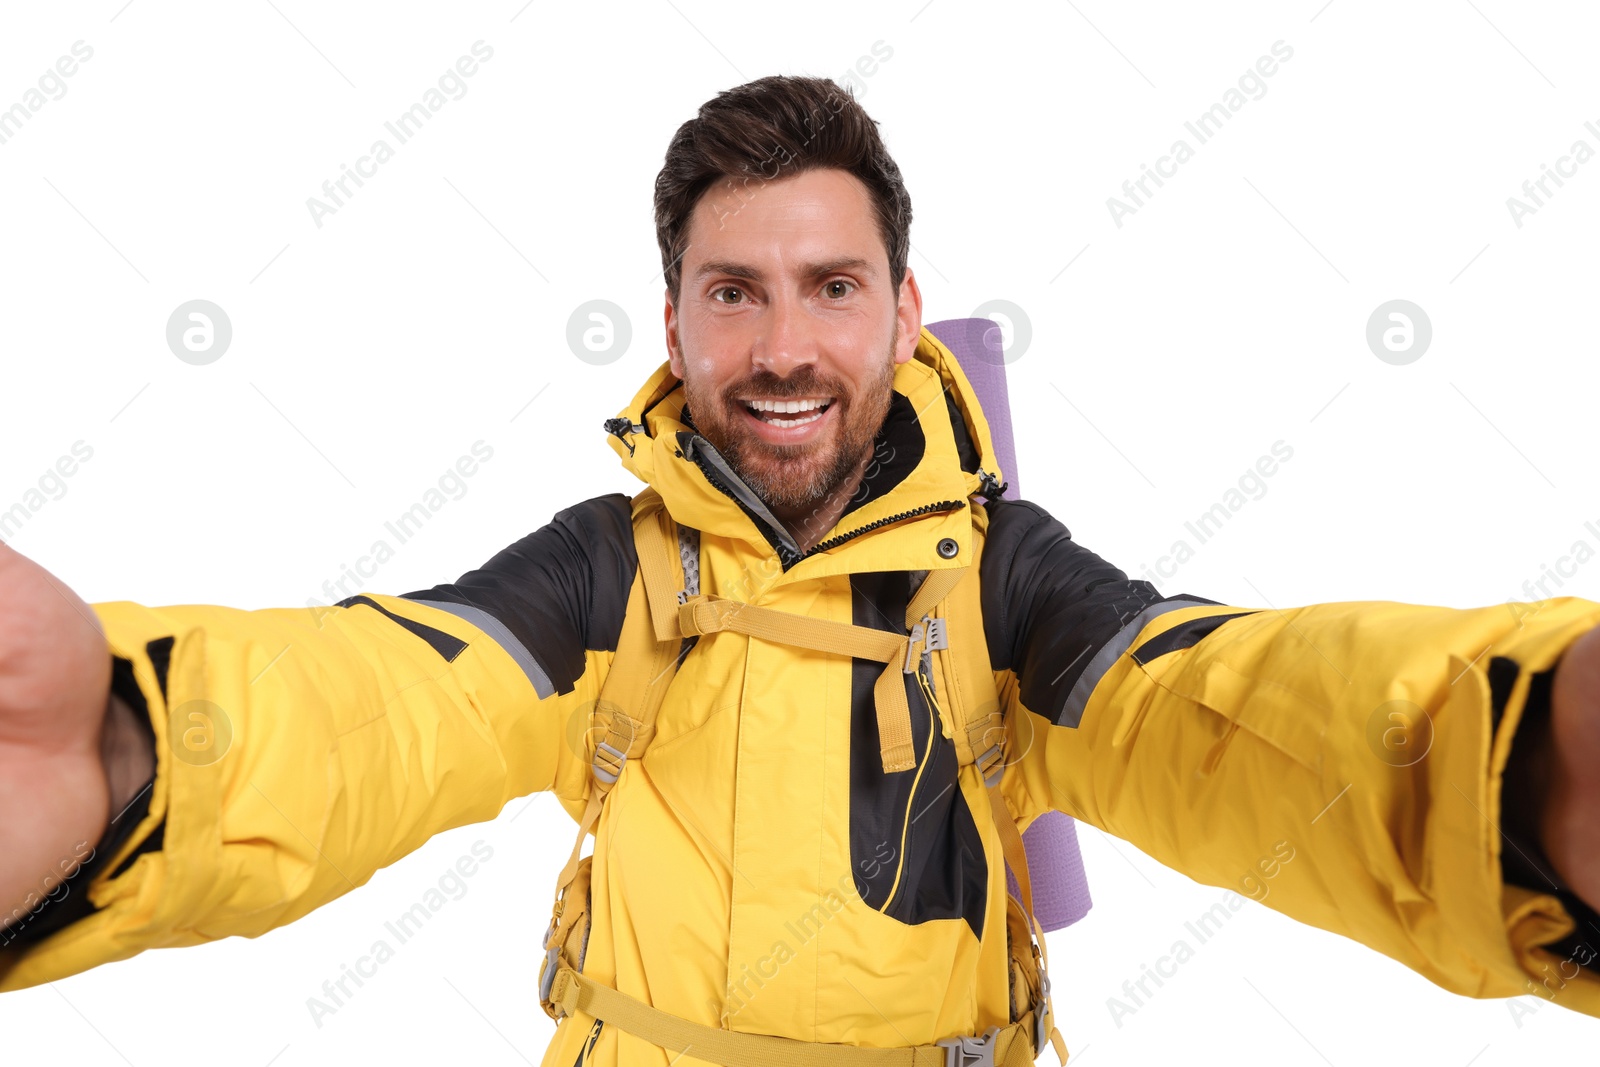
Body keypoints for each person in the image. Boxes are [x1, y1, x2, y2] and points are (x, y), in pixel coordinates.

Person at [3, 73, 1599, 1066]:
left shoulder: (1011, 584)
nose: (782, 349)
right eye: (734, 293)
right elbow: (385, 698)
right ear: (675, 324)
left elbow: (1224, 715)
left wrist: (1513, 762)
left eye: (832, 288)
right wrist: (133, 754)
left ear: (906, 315)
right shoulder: (602, 573)